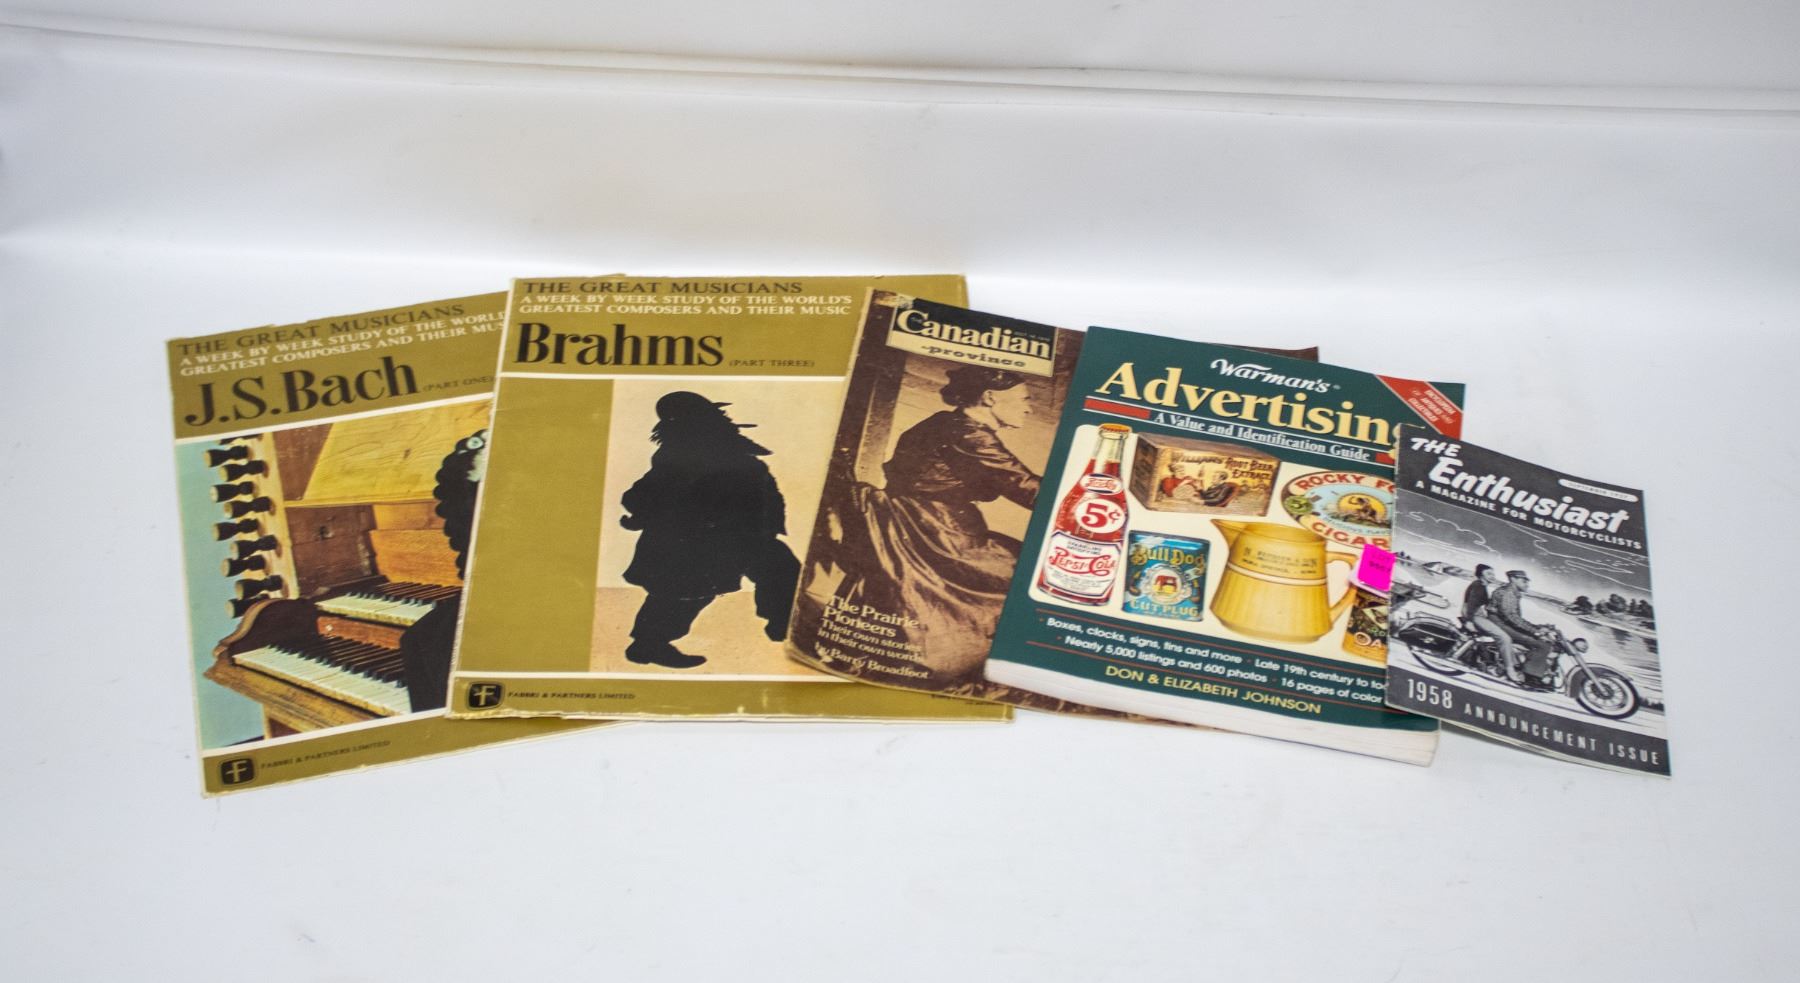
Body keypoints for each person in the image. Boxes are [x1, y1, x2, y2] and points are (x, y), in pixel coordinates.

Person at [826, 366, 1040, 684]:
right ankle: (967, 661)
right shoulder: (970, 435)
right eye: (1023, 399)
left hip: (912, 523)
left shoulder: (942, 423)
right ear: (990, 397)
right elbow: (1028, 488)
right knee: (1024, 574)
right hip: (934, 532)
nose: (1028, 408)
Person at [618, 391, 799, 669]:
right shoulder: (677, 456)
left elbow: (760, 489)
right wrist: (642, 515)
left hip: (743, 534)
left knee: (780, 569)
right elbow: (646, 493)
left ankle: (784, 625)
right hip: (700, 543)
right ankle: (647, 644)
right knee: (683, 594)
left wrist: (769, 522)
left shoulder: (730, 449)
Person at [1487, 569, 1555, 681]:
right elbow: (1512, 617)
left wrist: (1538, 627)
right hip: (1500, 623)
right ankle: (1530, 677)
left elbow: (1515, 619)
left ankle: (1524, 666)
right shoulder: (1508, 593)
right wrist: (1535, 631)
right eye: (1524, 581)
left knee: (1537, 640)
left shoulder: (1512, 593)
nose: (1527, 584)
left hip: (1503, 622)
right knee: (1542, 645)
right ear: (1513, 579)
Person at [1462, 564, 1519, 683]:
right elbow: (1471, 604)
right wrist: (1469, 621)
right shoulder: (1478, 586)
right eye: (1488, 574)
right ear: (1481, 575)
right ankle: (1510, 669)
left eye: (1493, 574)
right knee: (1504, 638)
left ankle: (1502, 663)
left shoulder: (1481, 586)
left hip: (1477, 615)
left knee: (1502, 634)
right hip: (1475, 616)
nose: (1492, 576)